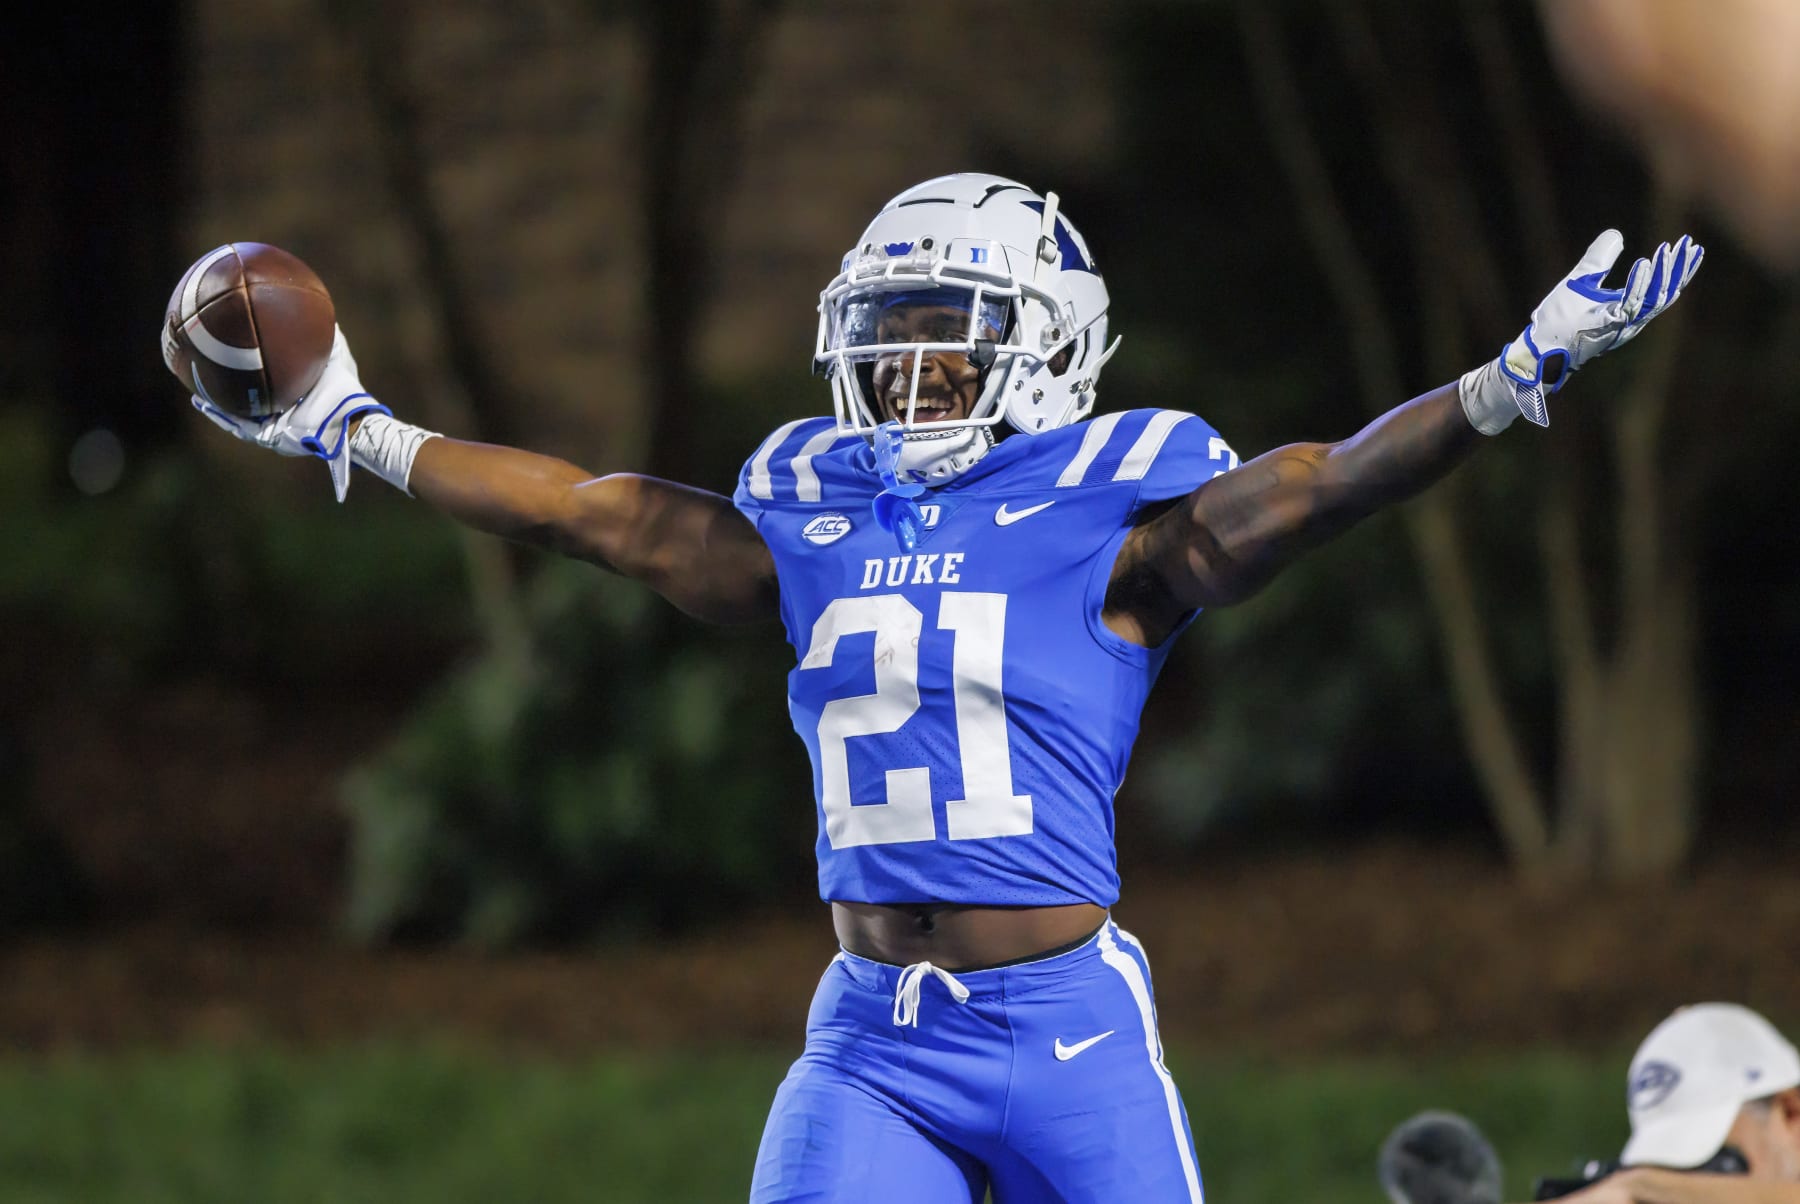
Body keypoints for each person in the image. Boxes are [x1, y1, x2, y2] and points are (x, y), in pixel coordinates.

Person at [186, 173, 1702, 1202]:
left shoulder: (1118, 518)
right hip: (873, 1038)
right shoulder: (815, 508)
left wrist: (1503, 384)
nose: (909, 371)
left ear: (1049, 353)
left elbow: (1320, 489)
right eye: (890, 337)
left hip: (1064, 1035)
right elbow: (587, 509)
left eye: (949, 341)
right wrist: (355, 428)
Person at [1548, 1003, 1800, 1204]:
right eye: (1666, 1170)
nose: (1688, 1189)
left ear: (1790, 1113)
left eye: (1716, 1169)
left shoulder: (1639, 1188)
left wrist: (1639, 1188)